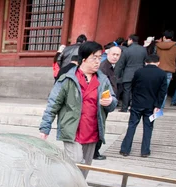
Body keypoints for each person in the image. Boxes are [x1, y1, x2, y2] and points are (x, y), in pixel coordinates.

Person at [39, 41, 117, 178]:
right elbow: (53, 104)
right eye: (94, 58)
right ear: (84, 59)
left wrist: (110, 102)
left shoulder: (103, 80)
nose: (98, 62)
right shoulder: (67, 79)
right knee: (74, 165)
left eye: (100, 58)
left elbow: (113, 102)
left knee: (84, 170)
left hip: (92, 130)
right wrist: (45, 127)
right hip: (72, 130)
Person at [119, 54, 168, 158]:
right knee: (148, 128)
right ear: (158, 62)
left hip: (137, 104)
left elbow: (133, 86)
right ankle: (145, 151)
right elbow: (162, 92)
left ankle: (125, 150)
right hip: (151, 106)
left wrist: (132, 101)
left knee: (132, 126)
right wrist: (158, 105)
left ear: (146, 62)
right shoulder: (162, 74)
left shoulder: (139, 72)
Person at [93, 44, 122, 160]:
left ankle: (95, 151)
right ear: (108, 54)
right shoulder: (103, 68)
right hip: (102, 101)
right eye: (113, 54)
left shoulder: (112, 66)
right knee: (100, 126)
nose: (115, 57)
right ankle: (95, 152)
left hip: (108, 100)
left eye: (117, 55)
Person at [117, 34, 147, 112]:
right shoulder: (143, 50)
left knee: (126, 91)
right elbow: (145, 62)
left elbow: (121, 64)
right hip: (140, 74)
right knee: (137, 91)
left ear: (131, 40)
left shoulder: (126, 50)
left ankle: (124, 108)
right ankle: (134, 107)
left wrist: (118, 75)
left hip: (128, 73)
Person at [155, 30, 176, 108]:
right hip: (169, 70)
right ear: (172, 37)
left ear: (164, 37)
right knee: (164, 90)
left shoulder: (157, 46)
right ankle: (160, 107)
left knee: (156, 88)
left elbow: (154, 56)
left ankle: (154, 105)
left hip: (158, 69)